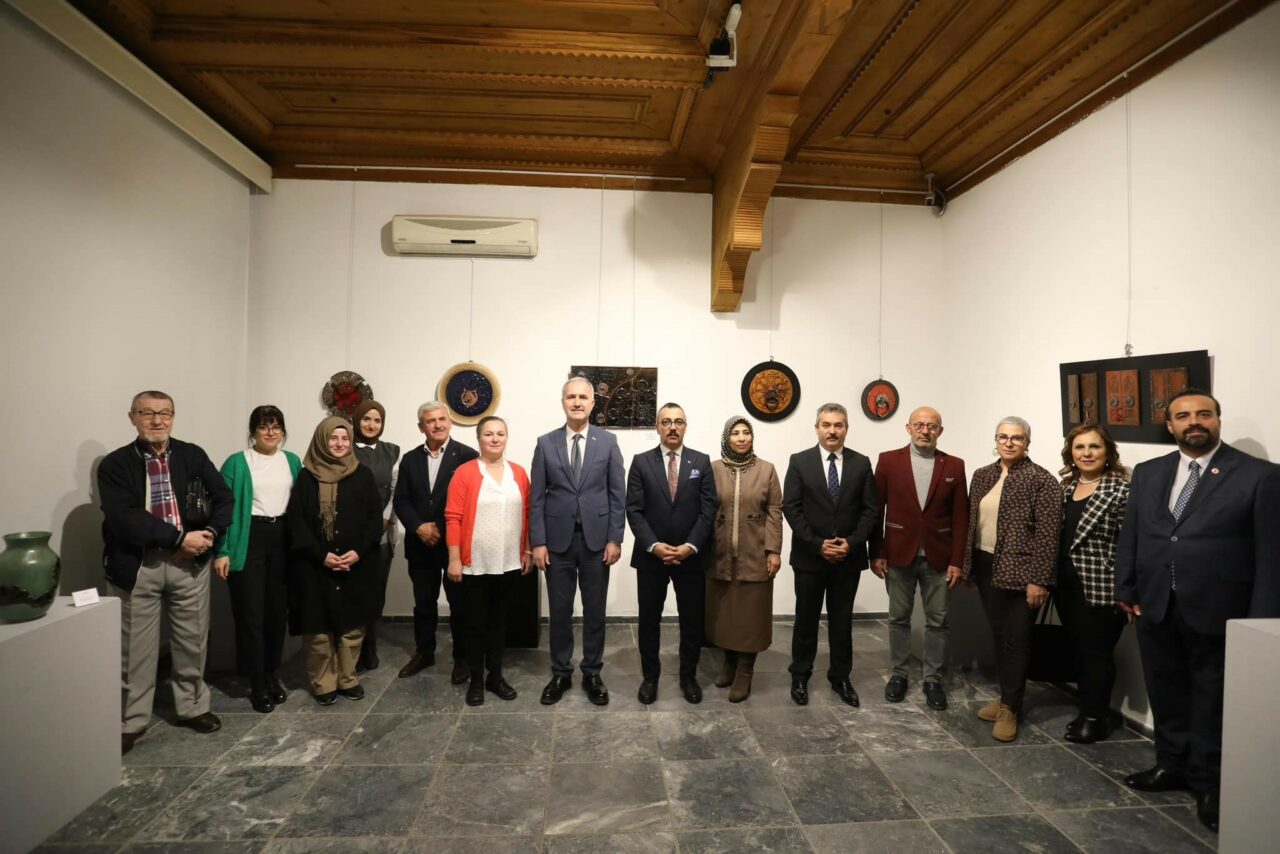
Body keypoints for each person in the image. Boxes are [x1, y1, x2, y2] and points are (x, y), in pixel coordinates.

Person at [1115, 389, 1280, 832]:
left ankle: (1211, 783)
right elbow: (1134, 533)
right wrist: (1125, 586)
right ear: (1169, 425)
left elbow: (1272, 555)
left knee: (1213, 700)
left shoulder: (1260, 476)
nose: (1194, 422)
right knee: (1165, 690)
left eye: (1203, 414)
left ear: (1217, 420)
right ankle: (1171, 765)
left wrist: (1261, 622)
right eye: (1183, 415)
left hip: (1222, 609)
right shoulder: (1149, 472)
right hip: (1155, 603)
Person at [99, 390, 233, 755]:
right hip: (139, 565)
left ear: (173, 417)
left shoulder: (192, 455)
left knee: (192, 639)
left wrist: (209, 534)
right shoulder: (115, 465)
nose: (157, 420)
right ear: (132, 417)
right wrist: (178, 539)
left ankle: (193, 707)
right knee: (134, 648)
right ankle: (130, 720)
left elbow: (224, 498)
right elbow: (123, 517)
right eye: (147, 413)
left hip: (190, 564)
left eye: (165, 413)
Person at [961, 416, 1061, 742]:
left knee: (1017, 638)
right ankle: (1006, 698)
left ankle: (1011, 709)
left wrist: (1039, 580)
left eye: (1016, 437)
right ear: (995, 440)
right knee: (999, 633)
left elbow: (1048, 535)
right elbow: (972, 523)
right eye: (1003, 437)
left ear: (1027, 442)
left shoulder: (1042, 481)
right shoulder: (982, 475)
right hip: (986, 563)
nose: (1008, 442)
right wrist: (968, 565)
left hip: (1022, 571)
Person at [530, 376, 625, 706]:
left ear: (592, 403)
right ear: (563, 402)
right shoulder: (545, 443)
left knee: (595, 611)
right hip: (557, 542)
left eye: (583, 397)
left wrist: (615, 538)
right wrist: (537, 542)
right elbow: (537, 499)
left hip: (597, 541)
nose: (577, 402)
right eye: (571, 397)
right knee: (559, 612)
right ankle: (560, 672)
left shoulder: (608, 442)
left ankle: (592, 672)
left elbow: (617, 495)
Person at [870, 406, 969, 710]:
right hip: (898, 554)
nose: (925, 430)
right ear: (908, 428)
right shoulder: (888, 461)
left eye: (932, 426)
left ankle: (933, 680)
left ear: (940, 431)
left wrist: (957, 560)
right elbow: (876, 510)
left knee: (938, 621)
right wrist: (877, 552)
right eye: (920, 425)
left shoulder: (954, 465)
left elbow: (961, 518)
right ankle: (899, 675)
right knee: (898, 618)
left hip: (939, 557)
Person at [783, 402, 878, 708]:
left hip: (847, 559)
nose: (832, 431)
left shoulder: (861, 463)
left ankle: (841, 677)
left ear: (847, 429)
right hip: (810, 558)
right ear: (817, 428)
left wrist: (851, 543)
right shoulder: (799, 461)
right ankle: (800, 675)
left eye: (838, 425)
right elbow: (791, 508)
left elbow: (870, 510)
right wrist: (817, 544)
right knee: (805, 620)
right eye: (826, 425)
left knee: (842, 622)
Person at [626, 403, 717, 705]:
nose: (673, 427)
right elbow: (634, 510)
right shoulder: (641, 462)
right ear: (657, 427)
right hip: (651, 557)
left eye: (678, 421)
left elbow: (708, 510)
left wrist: (691, 546)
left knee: (691, 621)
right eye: (666, 422)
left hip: (691, 557)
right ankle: (650, 677)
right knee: (649, 621)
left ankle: (688, 677)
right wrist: (654, 546)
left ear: (685, 426)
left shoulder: (701, 461)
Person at [287, 416, 383, 705]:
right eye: (333, 438)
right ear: (321, 440)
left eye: (344, 438)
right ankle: (323, 683)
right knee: (319, 629)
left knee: (352, 627)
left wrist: (358, 552)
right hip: (316, 566)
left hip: (356, 564)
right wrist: (321, 555)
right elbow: (297, 521)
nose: (339, 444)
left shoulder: (362, 475)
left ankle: (347, 678)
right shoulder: (307, 477)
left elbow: (374, 518)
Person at [213, 405, 302, 714]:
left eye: (276, 426)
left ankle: (272, 673)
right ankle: (257, 681)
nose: (270, 432)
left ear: (283, 431)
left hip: (282, 539)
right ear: (253, 431)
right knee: (251, 614)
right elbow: (222, 509)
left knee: (277, 613)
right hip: (249, 539)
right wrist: (222, 550)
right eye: (263, 426)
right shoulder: (237, 462)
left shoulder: (292, 461)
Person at [444, 416, 533, 705]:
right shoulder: (465, 472)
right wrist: (454, 559)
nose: (495, 439)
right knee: (475, 625)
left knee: (498, 623)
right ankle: (476, 681)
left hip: (508, 562)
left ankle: (495, 677)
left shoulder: (518, 473)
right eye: (489, 434)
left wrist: (527, 551)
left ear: (507, 438)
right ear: (479, 438)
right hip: (475, 564)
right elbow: (453, 518)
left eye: (500, 434)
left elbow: (528, 514)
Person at [393, 401, 478, 683]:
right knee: (424, 603)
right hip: (420, 545)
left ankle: (461, 658)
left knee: (460, 605)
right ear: (421, 427)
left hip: (453, 545)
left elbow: (469, 502)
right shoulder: (410, 459)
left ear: (450, 422)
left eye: (442, 419)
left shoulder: (468, 456)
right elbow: (401, 500)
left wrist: (439, 528)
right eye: (431, 421)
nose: (438, 425)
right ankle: (424, 653)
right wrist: (418, 527)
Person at [1055, 424, 1129, 744]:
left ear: (1108, 451)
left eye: (1094, 447)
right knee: (1079, 650)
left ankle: (1095, 717)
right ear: (1070, 453)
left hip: (1102, 588)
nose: (1086, 453)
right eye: (1079, 447)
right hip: (1065, 587)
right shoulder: (1065, 487)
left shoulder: (1121, 490)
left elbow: (1131, 545)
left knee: (1096, 653)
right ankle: (1088, 709)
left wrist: (1128, 588)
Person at [707, 415, 783, 703]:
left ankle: (745, 671)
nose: (741, 438)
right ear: (726, 438)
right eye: (735, 433)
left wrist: (773, 550)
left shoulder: (767, 470)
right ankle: (729, 662)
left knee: (752, 616)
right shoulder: (713, 469)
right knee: (726, 616)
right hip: (720, 556)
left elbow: (775, 512)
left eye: (746, 433)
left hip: (755, 555)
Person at [351, 399, 400, 672]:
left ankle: (370, 646)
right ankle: (351, 649)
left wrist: (383, 519)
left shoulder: (392, 451)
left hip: (380, 534)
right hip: (350, 533)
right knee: (353, 592)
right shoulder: (343, 447)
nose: (371, 425)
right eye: (366, 419)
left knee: (375, 592)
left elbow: (395, 490)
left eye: (377, 420)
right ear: (357, 420)